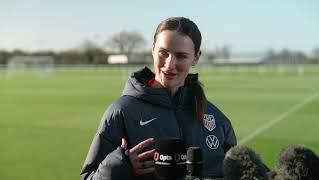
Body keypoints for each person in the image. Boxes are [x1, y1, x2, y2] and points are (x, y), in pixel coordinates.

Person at [80, 16, 237, 180]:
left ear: (196, 58)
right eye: (163, 53)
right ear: (153, 48)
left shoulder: (215, 117)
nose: (169, 64)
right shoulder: (122, 112)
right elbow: (89, 177)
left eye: (181, 56)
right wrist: (121, 164)